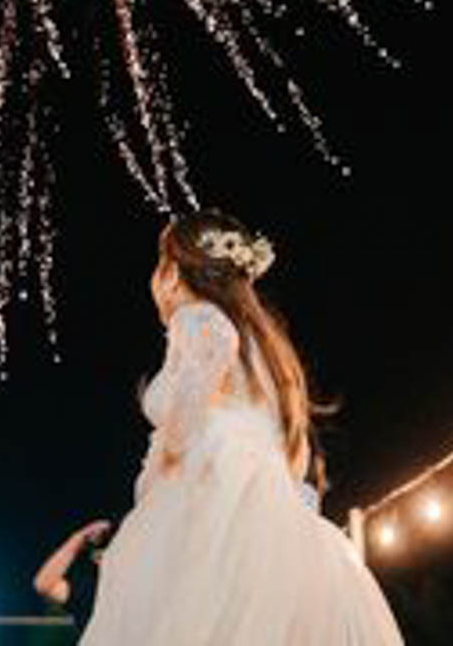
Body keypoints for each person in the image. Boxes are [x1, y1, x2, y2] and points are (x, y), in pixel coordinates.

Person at [80, 210, 403, 644]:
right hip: (266, 508)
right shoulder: (263, 343)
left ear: (173, 270)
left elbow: (190, 413)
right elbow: (287, 448)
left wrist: (164, 481)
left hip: (211, 499)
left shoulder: (197, 317)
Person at [34, 519, 112, 629]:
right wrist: (80, 536)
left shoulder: (129, 576)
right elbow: (42, 584)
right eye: (99, 554)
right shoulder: (88, 585)